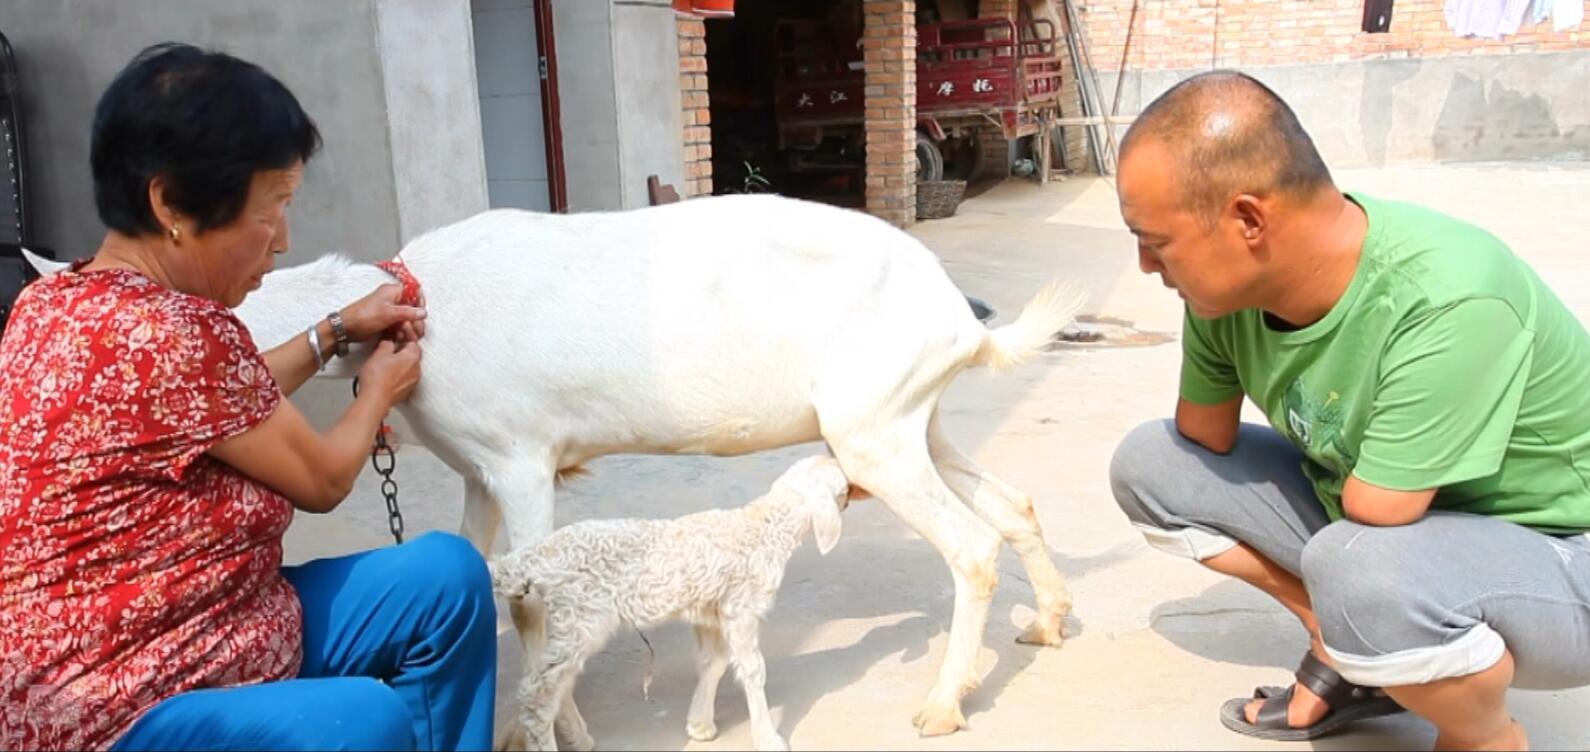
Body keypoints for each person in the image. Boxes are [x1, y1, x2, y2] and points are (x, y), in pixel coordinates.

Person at [0, 43, 496, 751]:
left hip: (211, 621)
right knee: (359, 722)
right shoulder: (180, 332)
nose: (283, 241)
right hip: (115, 703)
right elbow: (324, 478)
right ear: (170, 202)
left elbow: (220, 404)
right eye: (272, 210)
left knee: (444, 577)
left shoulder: (54, 301)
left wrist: (334, 330)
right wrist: (377, 390)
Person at [1107, 70, 1590, 751]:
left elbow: (1381, 511)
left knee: (1362, 566)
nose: (1146, 265)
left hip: (1561, 553)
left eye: (1156, 241)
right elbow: (1201, 433)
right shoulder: (1229, 296)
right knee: (1152, 465)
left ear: (1248, 219)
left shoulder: (1449, 294)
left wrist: (1353, 591)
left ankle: (1483, 737)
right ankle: (1349, 650)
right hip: (1393, 526)